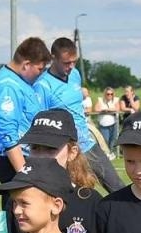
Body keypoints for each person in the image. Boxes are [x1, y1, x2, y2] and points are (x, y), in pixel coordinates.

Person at [38, 36, 124, 192]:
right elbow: (41, 123)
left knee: (117, 187)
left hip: (87, 144)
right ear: (53, 58)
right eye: (66, 63)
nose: (71, 66)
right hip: (65, 149)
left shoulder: (75, 74)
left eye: (74, 62)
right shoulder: (42, 85)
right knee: (77, 195)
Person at [0, 37, 52, 184]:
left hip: (25, 157)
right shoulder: (8, 87)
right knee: (20, 206)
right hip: (13, 160)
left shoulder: (19, 81)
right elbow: (8, 133)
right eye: (40, 69)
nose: (41, 73)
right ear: (26, 65)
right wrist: (24, 172)